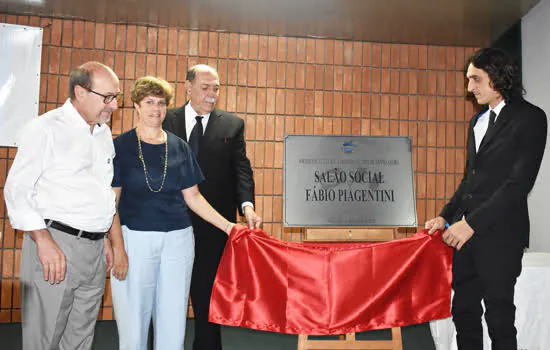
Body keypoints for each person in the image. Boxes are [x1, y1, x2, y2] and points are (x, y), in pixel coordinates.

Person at [425, 48, 547, 350]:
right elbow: (471, 180)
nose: (470, 88)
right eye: (469, 80)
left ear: (498, 76)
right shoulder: (477, 123)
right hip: (467, 235)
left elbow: (518, 185)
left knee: (499, 317)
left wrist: (471, 224)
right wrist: (446, 215)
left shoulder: (531, 117)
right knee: (464, 313)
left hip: (502, 235)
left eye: (476, 79)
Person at [109, 76, 243, 350]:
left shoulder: (178, 146)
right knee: (133, 324)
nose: (156, 109)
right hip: (135, 240)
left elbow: (193, 196)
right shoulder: (120, 146)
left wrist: (229, 226)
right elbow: (110, 204)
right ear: (136, 106)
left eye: (161, 103)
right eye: (149, 102)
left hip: (178, 242)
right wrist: (117, 248)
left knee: (173, 322)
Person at [4, 61, 120, 350]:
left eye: (117, 96)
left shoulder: (103, 134)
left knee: (80, 338)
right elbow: (17, 190)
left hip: (93, 251)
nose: (115, 105)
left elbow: (100, 190)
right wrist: (43, 241)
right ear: (80, 92)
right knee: (44, 339)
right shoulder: (45, 128)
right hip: (55, 245)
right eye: (107, 97)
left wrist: (102, 235)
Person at [163, 64, 262, 350]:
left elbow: (241, 169)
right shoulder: (166, 120)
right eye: (205, 87)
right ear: (188, 87)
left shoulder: (232, 124)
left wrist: (247, 206)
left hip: (214, 223)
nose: (212, 94)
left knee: (208, 296)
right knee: (167, 296)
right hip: (170, 222)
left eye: (216, 88)